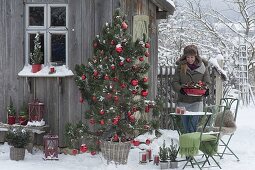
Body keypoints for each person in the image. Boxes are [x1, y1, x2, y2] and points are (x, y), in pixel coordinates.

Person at [172, 44, 211, 133]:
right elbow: (174, 82)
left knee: (193, 126)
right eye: (188, 57)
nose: (190, 59)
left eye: (192, 57)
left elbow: (207, 82)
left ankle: (192, 145)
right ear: (185, 57)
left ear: (196, 56)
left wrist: (205, 90)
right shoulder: (180, 67)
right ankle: (185, 145)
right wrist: (180, 89)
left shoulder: (202, 67)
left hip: (197, 101)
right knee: (184, 127)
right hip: (182, 101)